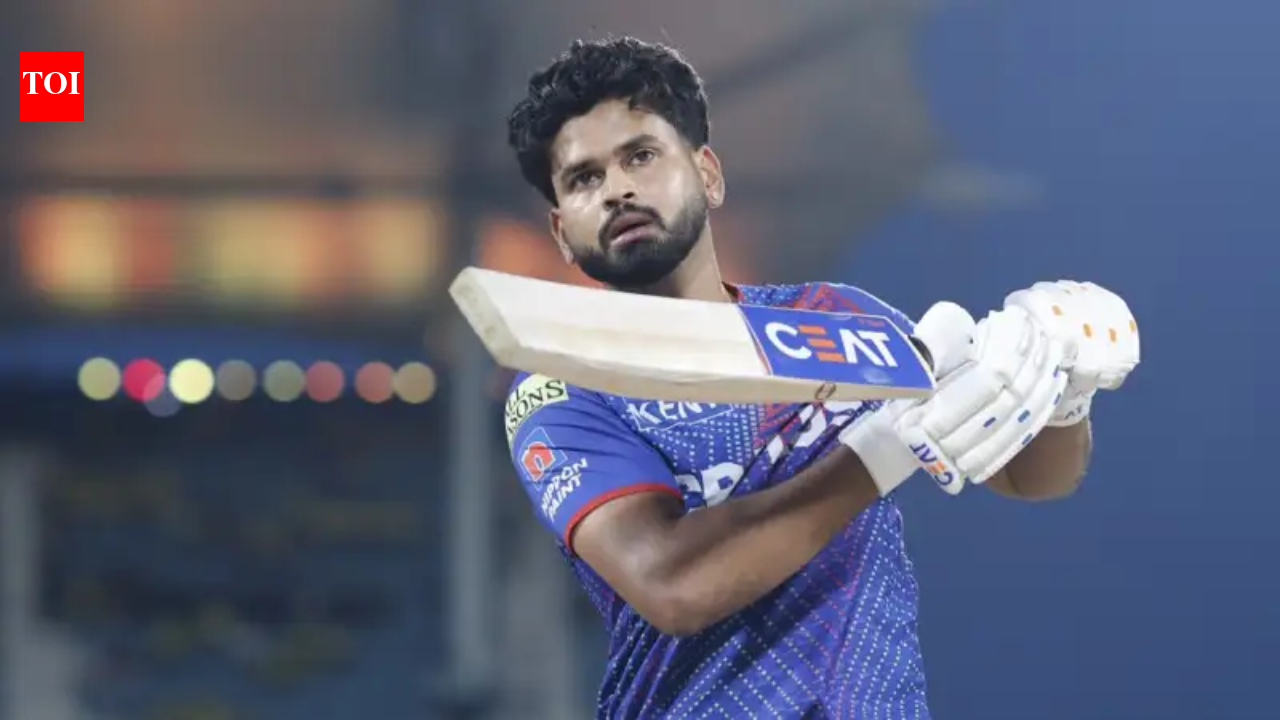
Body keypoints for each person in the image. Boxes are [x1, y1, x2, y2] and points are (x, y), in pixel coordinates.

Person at [502, 37, 1140, 719]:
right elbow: (671, 586)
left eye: (641, 156)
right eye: (584, 178)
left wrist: (1059, 389)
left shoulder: (836, 319)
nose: (617, 190)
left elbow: (1026, 477)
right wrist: (883, 448)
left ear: (708, 174)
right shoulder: (561, 386)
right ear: (562, 232)